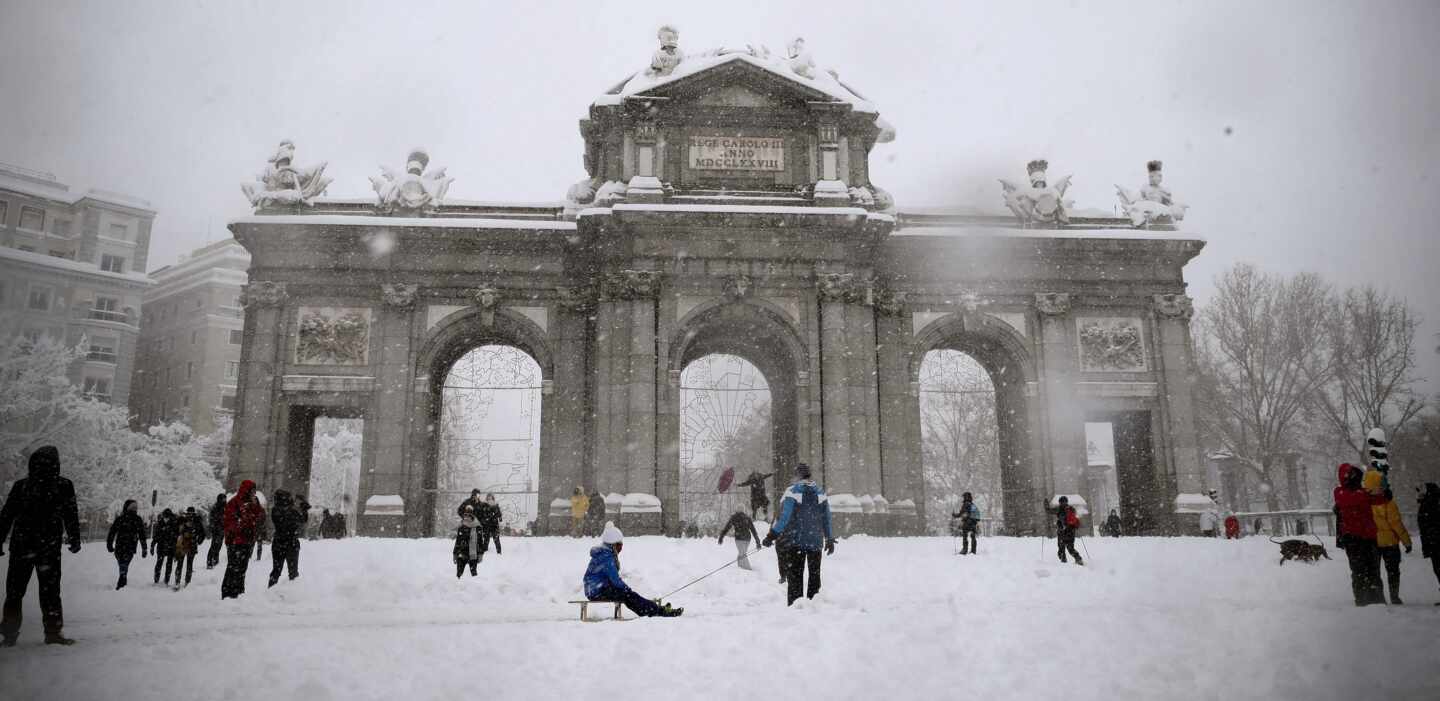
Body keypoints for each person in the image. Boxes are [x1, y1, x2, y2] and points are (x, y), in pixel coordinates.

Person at [0, 445, 81, 646]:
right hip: (48, 548)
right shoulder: (63, 485)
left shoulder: (22, 486)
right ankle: (53, 632)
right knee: (50, 592)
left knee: (15, 592)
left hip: (22, 547)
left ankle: (9, 633)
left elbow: (7, 515)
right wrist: (74, 538)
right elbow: (71, 514)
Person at [762, 463, 835, 605]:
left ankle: (796, 606)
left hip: (796, 541)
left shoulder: (793, 491)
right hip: (815, 542)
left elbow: (785, 517)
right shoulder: (820, 492)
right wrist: (829, 538)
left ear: (798, 475)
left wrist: (772, 535)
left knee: (795, 577)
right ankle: (814, 605)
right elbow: (826, 518)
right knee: (814, 577)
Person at [582, 522, 682, 617]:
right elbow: (615, 580)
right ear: (612, 545)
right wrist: (626, 589)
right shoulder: (607, 558)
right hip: (597, 591)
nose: (620, 548)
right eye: (619, 545)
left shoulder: (604, 554)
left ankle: (653, 608)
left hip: (595, 589)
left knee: (628, 594)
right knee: (627, 595)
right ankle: (654, 611)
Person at [1333, 463, 1385, 606]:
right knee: (1359, 570)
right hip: (1353, 539)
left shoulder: (1360, 493)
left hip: (1368, 537)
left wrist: (1383, 493)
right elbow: (1354, 499)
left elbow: (1379, 499)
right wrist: (1370, 495)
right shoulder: (1340, 492)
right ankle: (1362, 600)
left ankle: (1376, 599)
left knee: (1373, 570)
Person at [1368, 474, 1412, 605]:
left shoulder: (1365, 503)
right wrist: (1407, 542)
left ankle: (1379, 598)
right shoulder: (1389, 503)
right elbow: (1397, 524)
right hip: (1390, 543)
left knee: (1375, 572)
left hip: (1373, 542)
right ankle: (1394, 596)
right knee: (1393, 572)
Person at [221, 480, 266, 599]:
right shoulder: (234, 503)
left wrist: (256, 506)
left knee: (242, 568)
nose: (254, 493)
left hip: (247, 541)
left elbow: (261, 517)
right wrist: (242, 524)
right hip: (235, 542)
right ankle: (227, 593)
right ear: (247, 491)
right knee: (233, 567)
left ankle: (239, 592)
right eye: (252, 490)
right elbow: (229, 523)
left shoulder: (252, 503)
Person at [268, 490, 309, 587]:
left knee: (277, 571)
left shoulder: (276, 510)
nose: (290, 499)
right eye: (288, 497)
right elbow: (301, 519)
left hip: (280, 544)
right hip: (290, 544)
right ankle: (291, 593)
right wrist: (303, 509)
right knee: (292, 572)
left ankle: (271, 591)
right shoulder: (284, 511)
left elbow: (301, 519)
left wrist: (302, 509)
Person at [106, 499, 149, 590]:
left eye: (135, 507)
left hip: (129, 546)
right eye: (132, 507)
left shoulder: (137, 519)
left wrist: (144, 548)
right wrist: (109, 544)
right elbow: (112, 532)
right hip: (121, 546)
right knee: (123, 563)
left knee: (124, 564)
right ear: (127, 507)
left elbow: (142, 535)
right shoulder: (121, 518)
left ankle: (122, 578)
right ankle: (123, 577)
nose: (134, 509)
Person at [1417, 482, 1440, 603]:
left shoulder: (1429, 505)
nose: (1419, 496)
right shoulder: (1431, 503)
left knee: (1438, 568)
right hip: (1433, 542)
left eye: (1421, 493)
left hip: (1434, 543)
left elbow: (1426, 525)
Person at [173, 506, 206, 589]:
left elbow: (202, 533)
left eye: (192, 513)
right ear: (187, 513)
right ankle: (177, 581)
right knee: (180, 564)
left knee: (189, 564)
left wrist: (198, 540)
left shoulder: (197, 521)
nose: (190, 515)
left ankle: (187, 582)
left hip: (192, 545)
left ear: (194, 514)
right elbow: (176, 531)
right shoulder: (182, 521)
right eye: (189, 513)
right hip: (183, 545)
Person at [151, 508, 180, 586]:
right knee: (159, 563)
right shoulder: (160, 523)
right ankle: (156, 580)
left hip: (171, 547)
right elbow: (156, 536)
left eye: (167, 517)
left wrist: (176, 548)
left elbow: (177, 536)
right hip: (161, 546)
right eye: (165, 517)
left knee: (169, 564)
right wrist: (152, 546)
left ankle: (166, 580)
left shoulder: (174, 523)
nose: (166, 518)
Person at [1053, 496, 1084, 565]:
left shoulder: (1059, 509)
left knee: (1061, 549)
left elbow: (1049, 511)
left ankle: (1064, 564)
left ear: (1060, 502)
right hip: (1071, 532)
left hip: (1062, 532)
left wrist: (1046, 505)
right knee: (1070, 548)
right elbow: (1075, 518)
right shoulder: (1071, 509)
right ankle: (1078, 559)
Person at [454, 505, 481, 577]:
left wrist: (480, 553)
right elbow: (458, 541)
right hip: (462, 552)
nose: (467, 517)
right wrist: (455, 553)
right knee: (459, 574)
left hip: (473, 553)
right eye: (465, 514)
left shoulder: (477, 526)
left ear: (472, 515)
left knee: (474, 576)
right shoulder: (461, 526)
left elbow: (480, 541)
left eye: (469, 514)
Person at [477, 493, 502, 559]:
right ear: (487, 498)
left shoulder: (496, 505)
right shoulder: (484, 505)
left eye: (491, 498)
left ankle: (499, 552)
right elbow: (481, 514)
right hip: (486, 525)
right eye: (488, 498)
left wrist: (497, 517)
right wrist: (482, 520)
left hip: (494, 525)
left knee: (496, 539)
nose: (490, 499)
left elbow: (499, 514)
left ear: (493, 498)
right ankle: (485, 551)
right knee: (486, 538)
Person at [205, 493, 226, 569]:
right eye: (223, 499)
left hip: (222, 529)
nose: (224, 500)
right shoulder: (215, 507)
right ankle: (209, 562)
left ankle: (215, 559)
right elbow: (212, 518)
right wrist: (214, 526)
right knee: (214, 545)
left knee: (219, 545)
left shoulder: (225, 507)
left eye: (225, 498)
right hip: (216, 530)